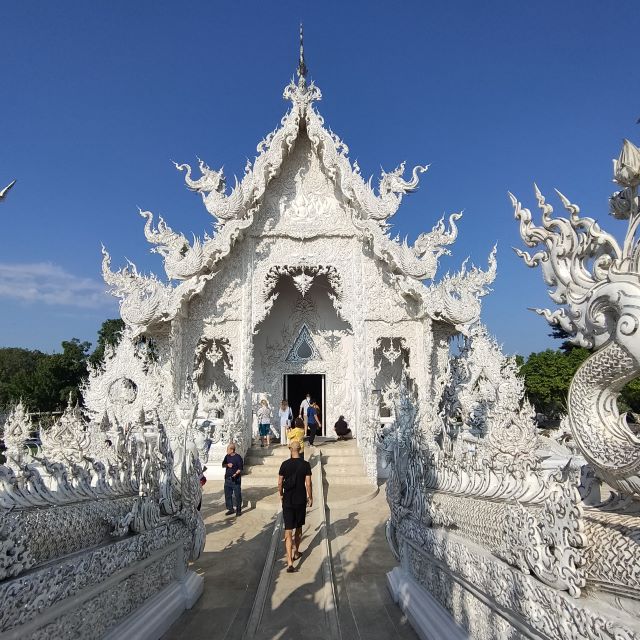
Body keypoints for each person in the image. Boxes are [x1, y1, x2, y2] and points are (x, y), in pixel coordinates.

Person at [278, 440, 312, 573]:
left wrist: (281, 494)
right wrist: (310, 497)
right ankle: (296, 552)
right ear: (300, 450)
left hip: (288, 500)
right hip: (300, 499)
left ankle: (289, 562)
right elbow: (308, 484)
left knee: (288, 531)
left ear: (290, 449)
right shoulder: (305, 465)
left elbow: (280, 483)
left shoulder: (284, 465)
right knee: (298, 528)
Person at [221, 443, 243, 516]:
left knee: (237, 495)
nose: (226, 451)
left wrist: (236, 474)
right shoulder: (227, 456)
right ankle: (230, 509)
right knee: (227, 495)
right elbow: (223, 464)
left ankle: (238, 510)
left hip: (235, 479)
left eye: (227, 449)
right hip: (227, 479)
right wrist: (227, 465)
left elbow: (240, 468)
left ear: (232, 450)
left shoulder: (238, 457)